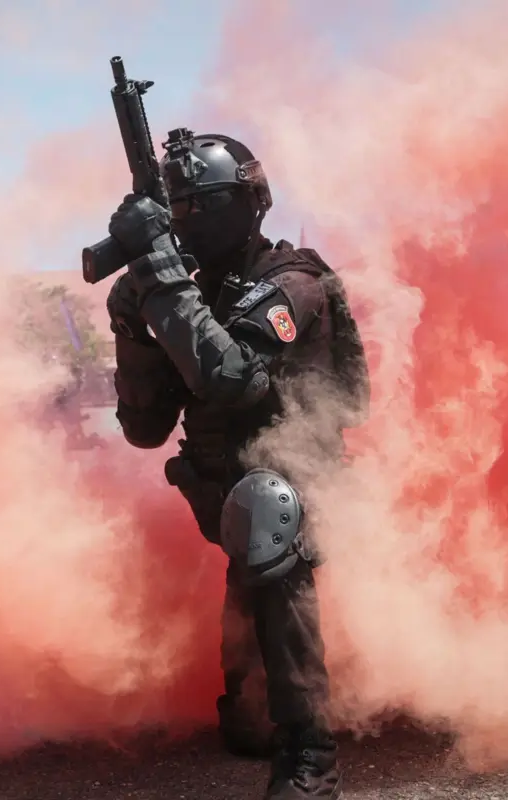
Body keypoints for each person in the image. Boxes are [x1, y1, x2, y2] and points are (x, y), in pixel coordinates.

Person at [104, 128, 370, 800]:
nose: (188, 218)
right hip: (229, 489)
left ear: (246, 203)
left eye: (200, 204)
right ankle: (264, 718)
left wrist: (163, 281)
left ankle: (311, 759)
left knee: (265, 506)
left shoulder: (292, 282)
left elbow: (234, 379)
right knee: (249, 727)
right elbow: (145, 429)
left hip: (297, 488)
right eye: (177, 207)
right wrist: (135, 322)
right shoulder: (188, 296)